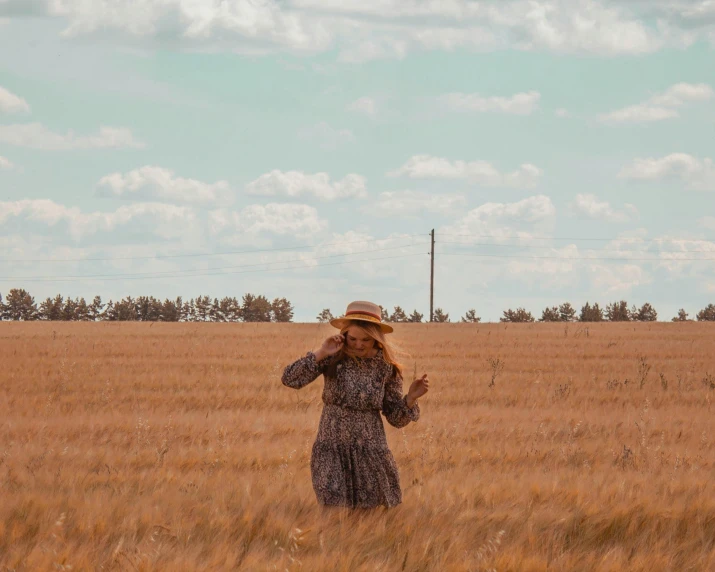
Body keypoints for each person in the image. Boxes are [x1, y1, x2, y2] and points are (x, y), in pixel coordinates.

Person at [281, 300, 430, 509]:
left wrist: (411, 398)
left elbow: (396, 418)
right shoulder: (332, 358)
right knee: (332, 512)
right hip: (331, 448)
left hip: (370, 451)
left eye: (366, 340)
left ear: (377, 339)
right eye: (353, 339)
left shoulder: (386, 368)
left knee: (369, 517)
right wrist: (321, 352)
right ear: (344, 335)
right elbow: (289, 379)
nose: (359, 344)